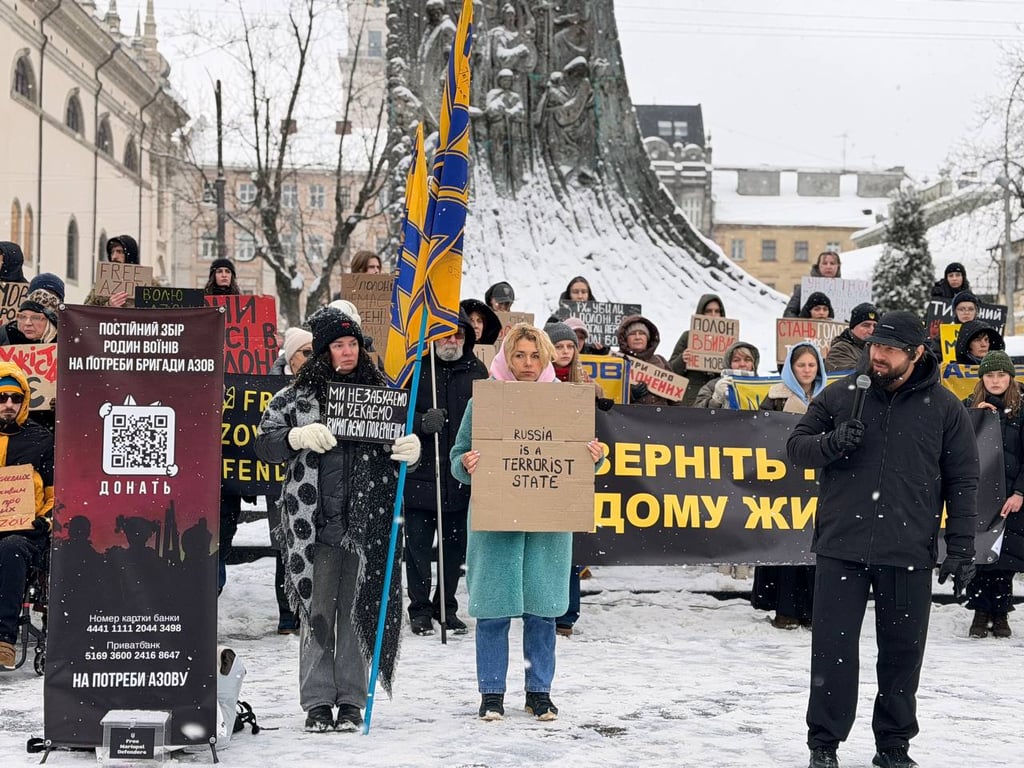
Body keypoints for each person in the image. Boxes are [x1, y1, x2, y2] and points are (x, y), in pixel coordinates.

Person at [788, 311, 979, 768]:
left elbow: (963, 481)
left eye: (890, 350)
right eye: (875, 347)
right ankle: (824, 744)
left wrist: (961, 548)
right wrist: (832, 443)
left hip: (908, 549)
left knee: (902, 654)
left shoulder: (945, 408)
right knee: (833, 651)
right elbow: (796, 448)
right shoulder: (842, 395)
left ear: (916, 353)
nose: (878, 356)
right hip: (842, 546)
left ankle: (893, 746)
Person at [255, 307, 421, 732]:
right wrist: (294, 436)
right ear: (323, 350)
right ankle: (316, 701)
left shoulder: (382, 394)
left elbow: (400, 448)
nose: (347, 352)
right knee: (317, 615)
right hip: (313, 526)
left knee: (356, 613)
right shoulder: (294, 397)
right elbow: (264, 443)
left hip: (366, 525)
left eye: (352, 344)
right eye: (337, 345)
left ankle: (351, 699)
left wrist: (411, 451)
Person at [450, 323, 604, 721]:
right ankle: (492, 694)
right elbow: (457, 457)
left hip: (546, 528)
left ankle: (539, 692)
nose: (528, 363)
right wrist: (466, 463)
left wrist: (594, 456)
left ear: (547, 358)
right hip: (495, 526)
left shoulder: (565, 403)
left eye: (535, 355)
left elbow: (579, 460)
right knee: (493, 613)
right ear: (506, 357)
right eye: (519, 355)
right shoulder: (484, 402)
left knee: (542, 613)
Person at [404, 311, 487, 637]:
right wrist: (421, 422)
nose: (451, 341)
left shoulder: (477, 372)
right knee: (418, 549)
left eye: (458, 335)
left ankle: (446, 607)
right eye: (445, 335)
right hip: (421, 475)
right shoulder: (416, 369)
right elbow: (395, 411)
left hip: (459, 479)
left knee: (453, 551)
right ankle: (419, 609)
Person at [752, 343, 826, 630]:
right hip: (782, 483)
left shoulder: (829, 396)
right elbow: (759, 434)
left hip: (816, 485)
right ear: (791, 368)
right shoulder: (775, 397)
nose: (807, 370)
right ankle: (785, 609)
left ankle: (810, 609)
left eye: (811, 365)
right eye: (801, 365)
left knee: (812, 549)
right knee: (785, 546)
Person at [962, 350, 1024, 639]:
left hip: (1012, 497)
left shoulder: (1021, 409)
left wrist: (1020, 492)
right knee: (979, 555)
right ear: (982, 378)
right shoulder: (968, 406)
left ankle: (1000, 612)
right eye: (989, 375)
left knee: (1005, 558)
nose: (996, 380)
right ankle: (980, 610)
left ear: (1010, 377)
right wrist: (975, 417)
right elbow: (954, 447)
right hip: (979, 496)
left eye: (1001, 375)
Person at [0, 362, 54, 669]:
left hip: (24, 531)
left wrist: (45, 520)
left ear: (25, 400)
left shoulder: (40, 438)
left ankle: (4, 639)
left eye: (15, 397)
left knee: (11, 549)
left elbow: (55, 491)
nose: (9, 404)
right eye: (2, 397)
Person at [267, 326, 313, 634]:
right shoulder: (276, 390)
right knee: (285, 548)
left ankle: (308, 611)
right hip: (279, 483)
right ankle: (287, 614)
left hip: (311, 486)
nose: (311, 358)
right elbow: (265, 438)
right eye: (305, 353)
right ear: (291, 356)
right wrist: (291, 437)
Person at [668, 294, 726, 406]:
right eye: (708, 311)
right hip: (690, 401)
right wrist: (682, 360)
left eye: (717, 311)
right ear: (701, 313)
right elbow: (670, 371)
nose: (713, 315)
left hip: (718, 400)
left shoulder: (729, 341)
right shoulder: (688, 337)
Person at [617, 314, 676, 406]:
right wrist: (630, 394)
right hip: (627, 414)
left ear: (647, 338)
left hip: (660, 414)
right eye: (632, 334)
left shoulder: (661, 361)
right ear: (625, 339)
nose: (637, 337)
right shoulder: (616, 361)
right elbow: (606, 395)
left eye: (642, 333)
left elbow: (675, 398)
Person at [0, 273, 63, 346]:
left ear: (51, 322)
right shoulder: (5, 336)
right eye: (22, 316)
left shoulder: (66, 346)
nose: (27, 323)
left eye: (36, 318)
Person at [694, 341, 760, 409]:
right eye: (736, 360)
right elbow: (696, 412)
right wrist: (716, 399)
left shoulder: (762, 386)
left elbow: (765, 413)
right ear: (729, 363)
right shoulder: (713, 386)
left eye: (747, 360)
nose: (742, 364)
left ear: (753, 364)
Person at [85, 234, 140, 307]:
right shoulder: (102, 283)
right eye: (112, 252)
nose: (114, 257)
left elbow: (154, 310)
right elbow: (86, 310)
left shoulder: (148, 283)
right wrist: (108, 305)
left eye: (119, 252)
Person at [784, 251, 842, 318]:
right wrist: (802, 322)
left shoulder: (845, 290)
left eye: (832, 263)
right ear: (818, 266)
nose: (828, 267)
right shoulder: (805, 287)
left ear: (838, 266)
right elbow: (789, 312)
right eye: (824, 263)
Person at [825, 303, 877, 373]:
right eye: (866, 325)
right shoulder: (840, 349)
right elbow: (849, 376)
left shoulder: (874, 349)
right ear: (853, 327)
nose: (871, 330)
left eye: (875, 326)